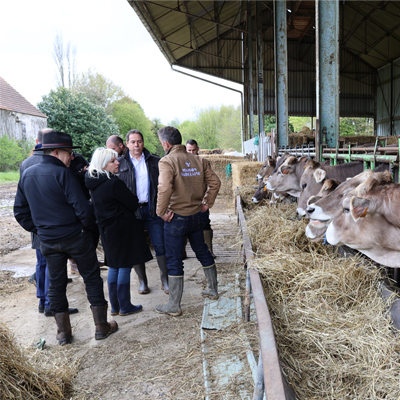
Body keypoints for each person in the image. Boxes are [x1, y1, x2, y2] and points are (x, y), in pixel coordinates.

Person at [14, 130, 118, 345]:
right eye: (69, 152)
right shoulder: (63, 174)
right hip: (74, 236)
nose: (72, 157)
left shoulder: (27, 174)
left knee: (56, 284)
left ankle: (63, 334)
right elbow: (83, 209)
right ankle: (101, 326)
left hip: (49, 240)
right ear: (56, 151)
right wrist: (86, 231)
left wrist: (40, 229)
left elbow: (20, 212)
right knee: (91, 279)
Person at [155, 126, 221, 317]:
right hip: (196, 216)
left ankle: (174, 305)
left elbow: (164, 188)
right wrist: (206, 203)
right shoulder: (199, 160)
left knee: (175, 260)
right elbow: (215, 183)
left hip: (175, 218)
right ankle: (213, 290)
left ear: (166, 143)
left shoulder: (167, 161)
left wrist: (160, 212)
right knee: (202, 250)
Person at [85, 147, 153, 316]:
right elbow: (132, 202)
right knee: (124, 266)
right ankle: (125, 305)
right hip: (121, 228)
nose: (117, 163)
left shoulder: (93, 182)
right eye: (113, 161)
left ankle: (115, 307)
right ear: (103, 164)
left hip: (106, 230)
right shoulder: (113, 183)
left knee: (114, 266)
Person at [19, 128, 77, 317]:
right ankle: (53, 303)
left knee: (42, 263)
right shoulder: (56, 164)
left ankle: (43, 301)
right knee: (55, 268)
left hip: (38, 225)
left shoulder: (26, 163)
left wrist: (34, 226)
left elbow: (23, 201)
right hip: (55, 226)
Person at [118, 129, 169, 294]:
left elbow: (166, 186)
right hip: (132, 211)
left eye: (139, 141)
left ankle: (165, 279)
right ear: (127, 144)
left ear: (143, 142)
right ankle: (142, 282)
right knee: (136, 247)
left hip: (153, 209)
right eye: (132, 142)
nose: (136, 145)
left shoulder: (155, 161)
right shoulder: (120, 163)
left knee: (161, 244)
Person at [185, 139, 216, 258]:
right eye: (189, 150)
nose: (192, 153)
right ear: (185, 150)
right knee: (183, 225)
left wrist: (207, 201)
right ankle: (181, 252)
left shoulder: (204, 163)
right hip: (185, 201)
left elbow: (213, 183)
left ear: (198, 149)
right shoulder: (181, 163)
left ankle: (209, 251)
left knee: (205, 223)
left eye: (194, 150)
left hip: (200, 200)